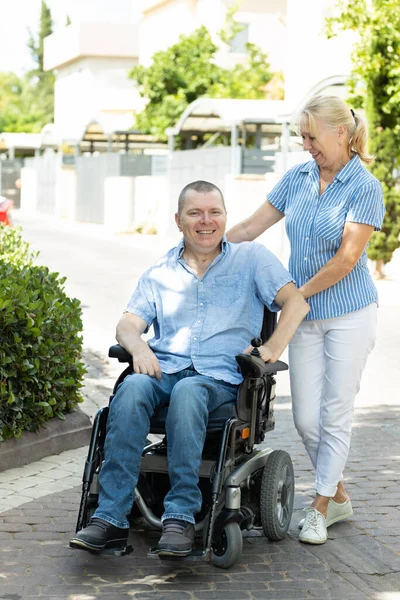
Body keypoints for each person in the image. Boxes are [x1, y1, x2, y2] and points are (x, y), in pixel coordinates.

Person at [70, 180, 309, 556]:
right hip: (165, 370)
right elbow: (128, 324)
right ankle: (110, 518)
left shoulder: (251, 259)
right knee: (131, 388)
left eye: (215, 212)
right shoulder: (160, 271)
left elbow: (295, 304)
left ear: (225, 217)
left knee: (189, 390)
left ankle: (180, 515)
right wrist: (138, 348)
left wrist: (270, 349)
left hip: (220, 382)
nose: (206, 221)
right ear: (179, 220)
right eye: (195, 213)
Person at [227, 95, 385, 545]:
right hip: (305, 315)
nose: (306, 146)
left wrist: (296, 294)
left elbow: (347, 259)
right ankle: (337, 493)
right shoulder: (297, 177)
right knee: (305, 419)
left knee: (334, 412)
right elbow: (251, 228)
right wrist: (206, 243)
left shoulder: (364, 187)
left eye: (312, 136)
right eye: (302, 137)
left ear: (341, 133)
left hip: (350, 313)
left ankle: (318, 509)